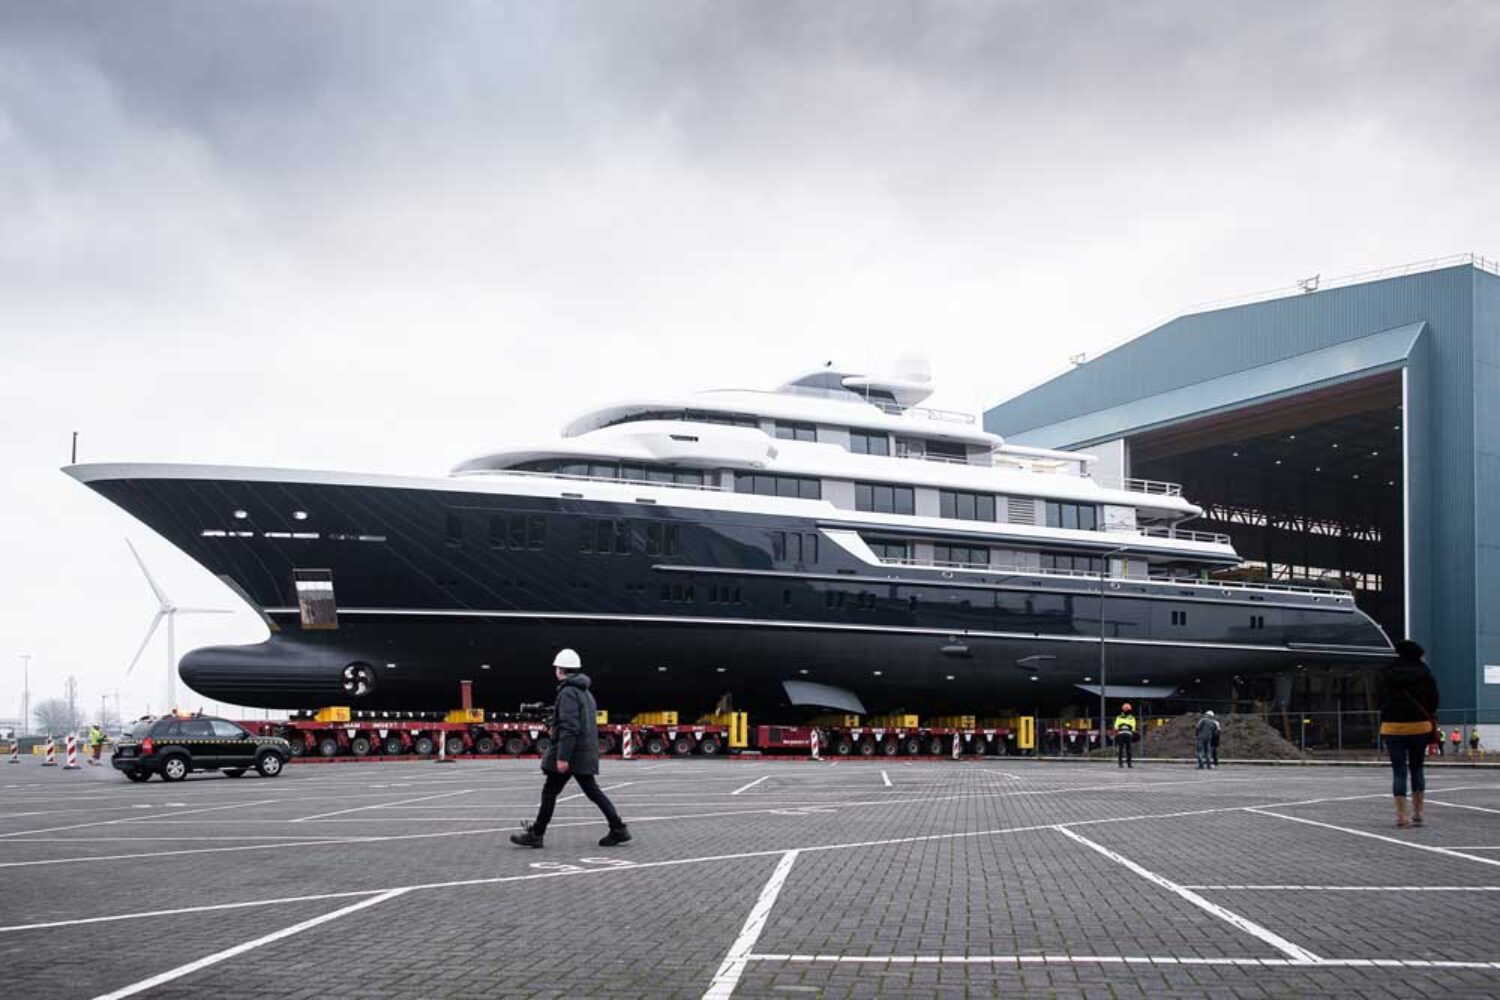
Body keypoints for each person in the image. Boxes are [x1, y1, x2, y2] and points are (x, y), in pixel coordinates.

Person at [511, 648, 630, 849]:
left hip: (572, 754)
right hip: (584, 751)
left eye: (556, 667)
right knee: (592, 792)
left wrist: (562, 756)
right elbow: (578, 724)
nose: (555, 670)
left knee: (550, 792)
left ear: (561, 669)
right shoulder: (586, 693)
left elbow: (570, 726)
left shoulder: (567, 692)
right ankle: (618, 828)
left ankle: (537, 834)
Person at [1379, 639, 1440, 829]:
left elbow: (1379, 696)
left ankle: (1400, 816)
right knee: (1417, 768)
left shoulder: (1388, 673)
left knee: (1399, 771)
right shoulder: (1425, 673)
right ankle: (1418, 813)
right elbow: (1434, 699)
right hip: (1419, 727)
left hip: (1393, 727)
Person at [1113, 703, 1139, 769]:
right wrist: (1126, 726)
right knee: (1121, 749)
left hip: (1128, 735)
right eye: (1127, 709)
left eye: (1128, 709)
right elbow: (1116, 726)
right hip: (1121, 735)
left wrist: (1122, 725)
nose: (1127, 711)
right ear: (1123, 710)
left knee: (1128, 750)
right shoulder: (1119, 717)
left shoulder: (1132, 718)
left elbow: (1133, 727)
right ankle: (1120, 763)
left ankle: (1129, 763)